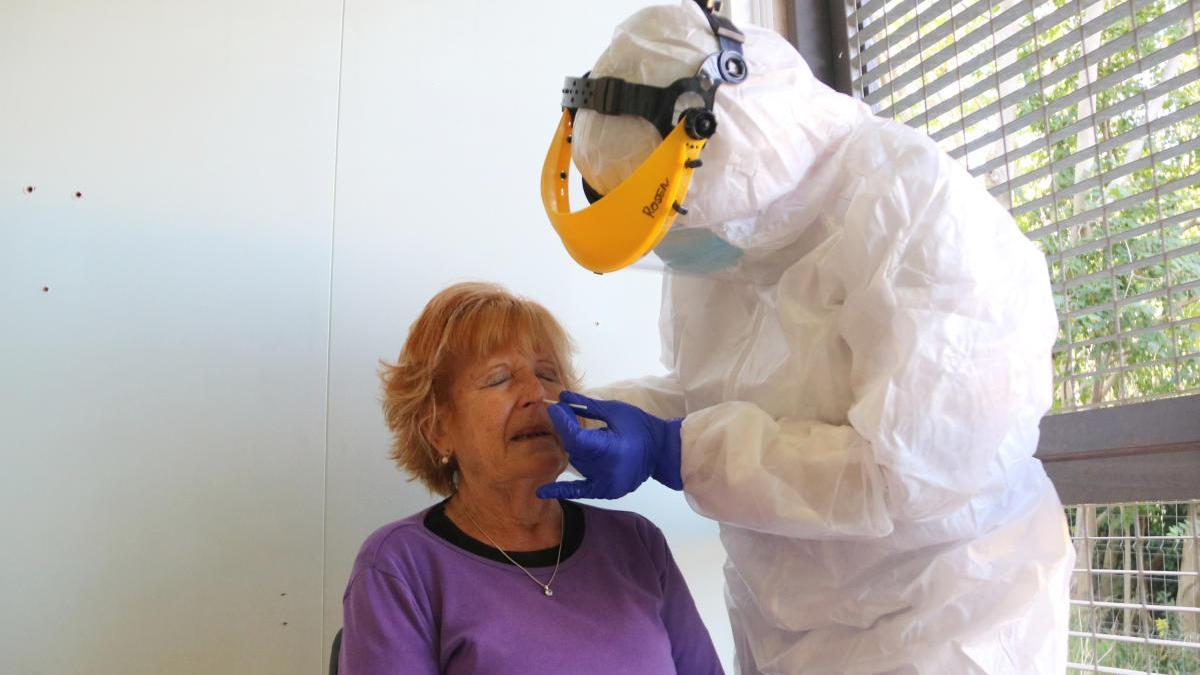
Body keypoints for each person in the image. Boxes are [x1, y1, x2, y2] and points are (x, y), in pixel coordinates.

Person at [536, 2, 1075, 673]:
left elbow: (902, 474)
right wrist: (599, 412)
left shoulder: (912, 212)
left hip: (945, 620)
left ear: (719, 145)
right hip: (783, 622)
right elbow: (719, 395)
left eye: (666, 214)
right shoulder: (727, 242)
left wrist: (674, 450)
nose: (670, 245)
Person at [339, 282, 723, 675]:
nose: (536, 394)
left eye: (547, 373)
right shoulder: (400, 566)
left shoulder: (638, 543)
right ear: (437, 428)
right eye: (498, 379)